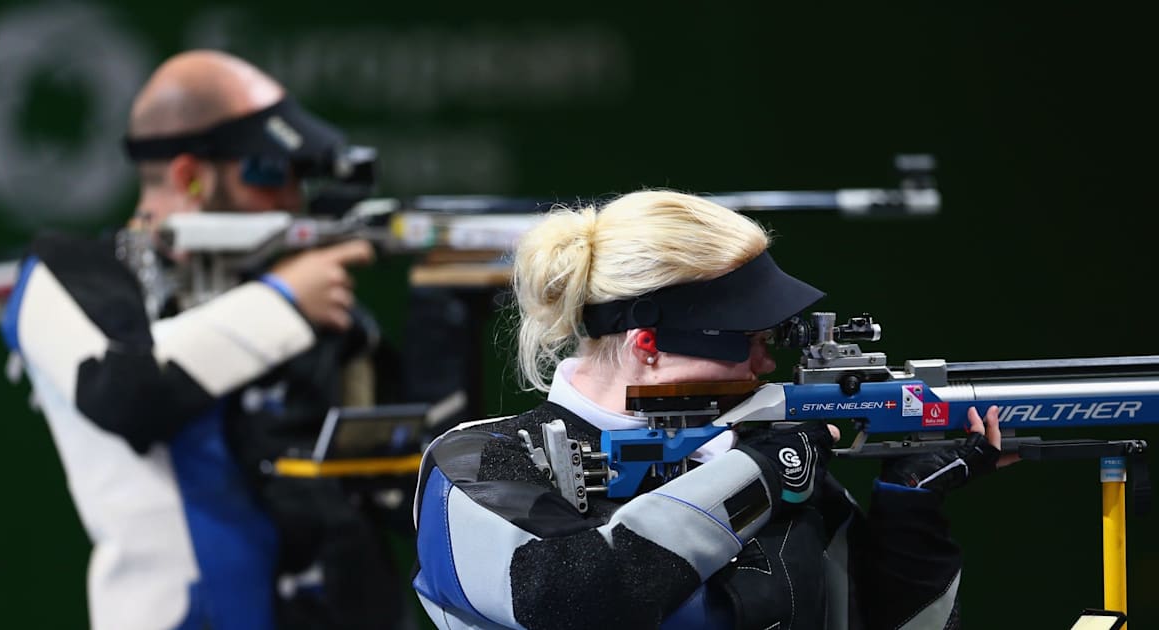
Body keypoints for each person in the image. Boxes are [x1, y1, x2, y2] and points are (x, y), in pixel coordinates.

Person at [411, 189, 1013, 629]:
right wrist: (760, 474)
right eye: (747, 341)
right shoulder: (479, 463)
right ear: (648, 345)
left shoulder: (759, 462)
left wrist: (910, 513)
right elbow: (576, 602)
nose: (765, 365)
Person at [0, 49, 402, 630]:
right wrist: (284, 301)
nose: (292, 200)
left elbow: (395, 475)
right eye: (269, 172)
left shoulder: (290, 296)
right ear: (190, 174)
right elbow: (126, 392)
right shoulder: (68, 274)